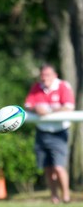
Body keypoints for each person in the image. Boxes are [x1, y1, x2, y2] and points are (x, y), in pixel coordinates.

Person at [24, 63, 75, 204]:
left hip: (60, 133)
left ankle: (65, 196)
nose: (44, 78)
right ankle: (54, 197)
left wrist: (49, 112)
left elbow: (69, 107)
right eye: (42, 75)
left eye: (47, 75)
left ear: (55, 75)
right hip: (42, 132)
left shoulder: (63, 86)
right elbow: (27, 104)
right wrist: (36, 109)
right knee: (47, 168)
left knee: (59, 167)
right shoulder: (36, 87)